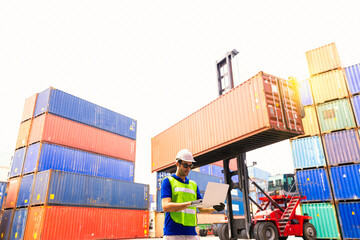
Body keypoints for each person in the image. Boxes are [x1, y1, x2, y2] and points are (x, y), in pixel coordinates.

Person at [161, 149, 225, 240]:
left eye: (190, 166)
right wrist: (190, 203)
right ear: (177, 164)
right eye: (185, 165)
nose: (188, 169)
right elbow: (165, 206)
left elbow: (201, 208)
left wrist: (214, 208)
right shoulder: (168, 181)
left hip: (191, 232)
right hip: (173, 233)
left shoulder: (193, 185)